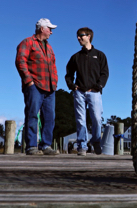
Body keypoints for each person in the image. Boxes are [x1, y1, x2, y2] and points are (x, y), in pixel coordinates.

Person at [15, 18, 59, 155]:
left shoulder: (49, 47)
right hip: (34, 86)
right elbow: (20, 61)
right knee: (32, 114)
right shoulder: (27, 42)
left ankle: (46, 145)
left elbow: (53, 66)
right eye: (49, 29)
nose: (51, 32)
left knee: (50, 117)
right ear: (42, 29)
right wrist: (29, 81)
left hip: (50, 87)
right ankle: (31, 146)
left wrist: (55, 82)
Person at [65, 27, 109, 156]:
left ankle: (96, 142)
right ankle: (82, 146)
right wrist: (72, 86)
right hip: (79, 92)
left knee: (96, 118)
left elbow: (105, 73)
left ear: (88, 36)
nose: (78, 38)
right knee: (80, 119)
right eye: (77, 36)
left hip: (94, 92)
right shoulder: (76, 57)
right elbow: (68, 74)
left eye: (81, 35)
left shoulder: (100, 55)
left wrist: (98, 86)